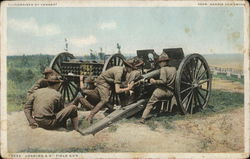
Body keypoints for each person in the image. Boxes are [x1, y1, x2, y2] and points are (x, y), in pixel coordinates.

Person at [79, 60, 137, 124]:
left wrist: (126, 86)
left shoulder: (124, 71)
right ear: (128, 67)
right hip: (103, 82)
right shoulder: (119, 72)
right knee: (104, 99)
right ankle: (90, 116)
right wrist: (128, 88)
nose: (132, 70)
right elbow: (117, 90)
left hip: (109, 82)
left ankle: (121, 108)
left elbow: (121, 83)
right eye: (131, 68)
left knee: (121, 89)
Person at [139, 53, 176, 124]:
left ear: (164, 62)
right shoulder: (173, 69)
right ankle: (157, 112)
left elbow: (163, 81)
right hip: (171, 92)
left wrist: (154, 81)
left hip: (163, 91)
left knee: (151, 102)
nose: (159, 64)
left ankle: (143, 118)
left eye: (160, 62)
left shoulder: (163, 69)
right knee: (156, 94)